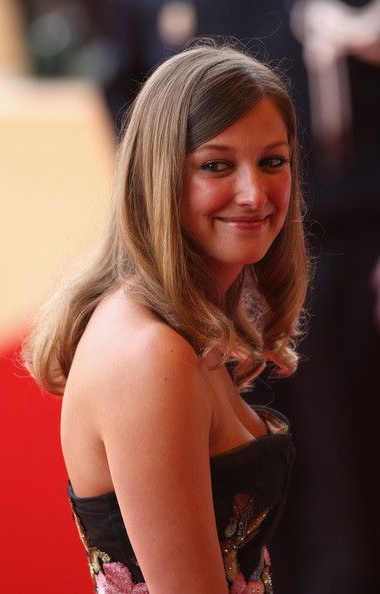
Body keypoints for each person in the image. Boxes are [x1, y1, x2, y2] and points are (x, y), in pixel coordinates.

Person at [23, 43, 309, 594]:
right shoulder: (149, 352)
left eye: (272, 161)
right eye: (216, 165)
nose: (254, 193)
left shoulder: (185, 326)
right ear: (159, 177)